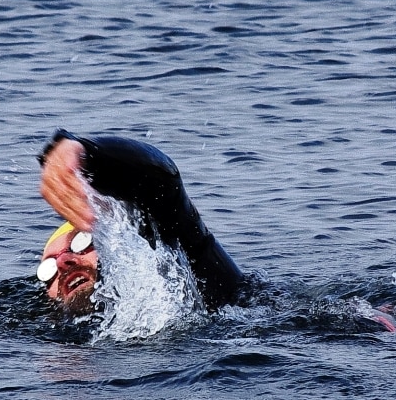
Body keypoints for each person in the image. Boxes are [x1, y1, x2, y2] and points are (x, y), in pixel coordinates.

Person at [35, 130, 249, 312]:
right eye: (49, 267)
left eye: (80, 243)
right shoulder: (57, 345)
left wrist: (81, 152)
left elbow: (163, 186)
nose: (63, 263)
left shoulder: (191, 272)